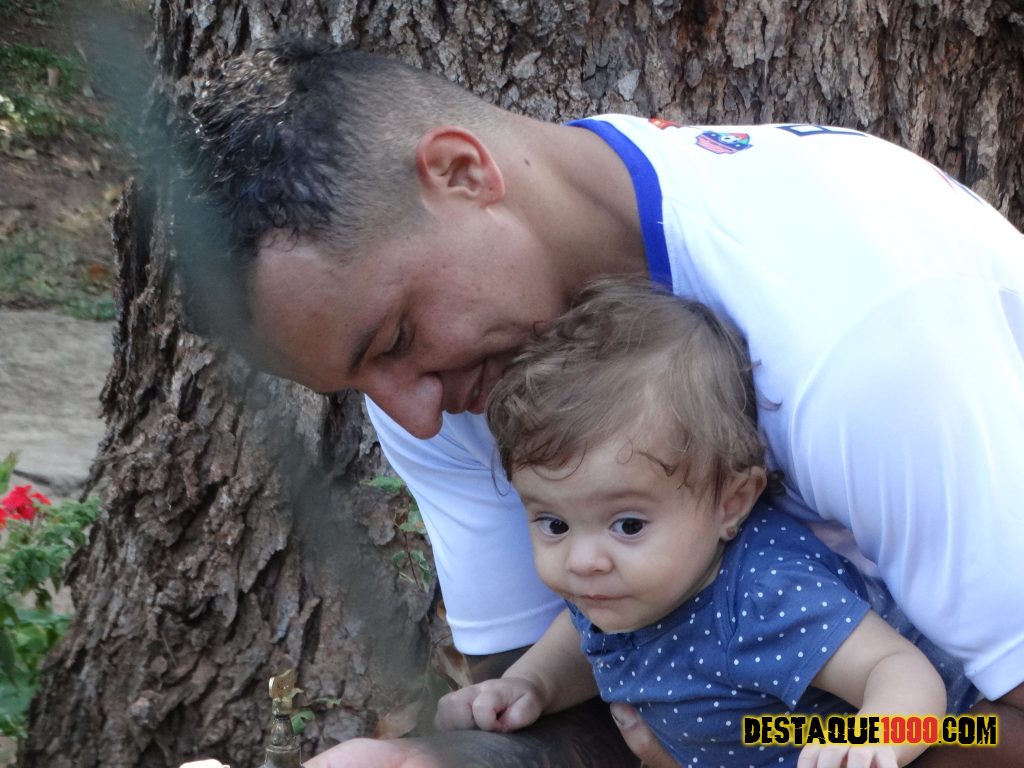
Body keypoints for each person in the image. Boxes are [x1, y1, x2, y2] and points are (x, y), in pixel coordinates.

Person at [184, 38, 1024, 768]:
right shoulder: (451, 376)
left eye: (397, 338)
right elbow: (574, 703)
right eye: (356, 387)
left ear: (462, 173)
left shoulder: (855, 339)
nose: (416, 418)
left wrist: (760, 747)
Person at [433, 276, 957, 767]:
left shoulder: (764, 599)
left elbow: (899, 670)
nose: (582, 560)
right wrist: (532, 683)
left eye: (629, 525)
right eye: (553, 524)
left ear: (731, 504)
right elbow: (578, 636)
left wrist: (870, 741)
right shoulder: (623, 585)